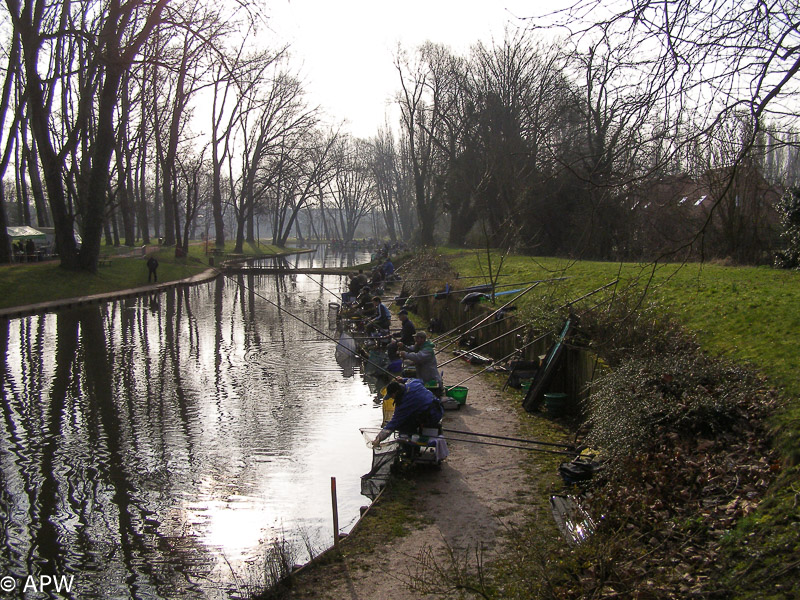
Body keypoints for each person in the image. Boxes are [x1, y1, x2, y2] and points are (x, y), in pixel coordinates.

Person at [371, 379, 444, 446]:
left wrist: (379, 438)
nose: (392, 398)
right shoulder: (413, 384)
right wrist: (403, 379)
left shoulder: (404, 404)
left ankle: (409, 445)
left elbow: (393, 424)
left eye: (391, 396)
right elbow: (419, 380)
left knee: (403, 425)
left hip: (433, 416)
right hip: (439, 407)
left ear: (396, 393)